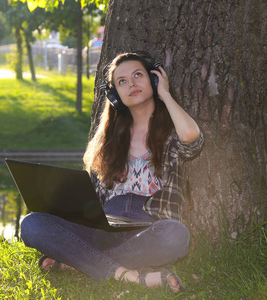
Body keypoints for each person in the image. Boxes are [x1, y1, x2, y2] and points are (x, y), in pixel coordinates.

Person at [20, 51, 204, 292]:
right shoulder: (109, 140)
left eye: (138, 75)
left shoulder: (172, 131)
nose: (132, 84)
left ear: (154, 80)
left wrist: (166, 95)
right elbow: (93, 198)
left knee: (176, 235)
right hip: (103, 227)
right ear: (115, 95)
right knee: (32, 224)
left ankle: (81, 263)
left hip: (148, 228)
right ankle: (124, 274)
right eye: (122, 81)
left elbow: (192, 138)